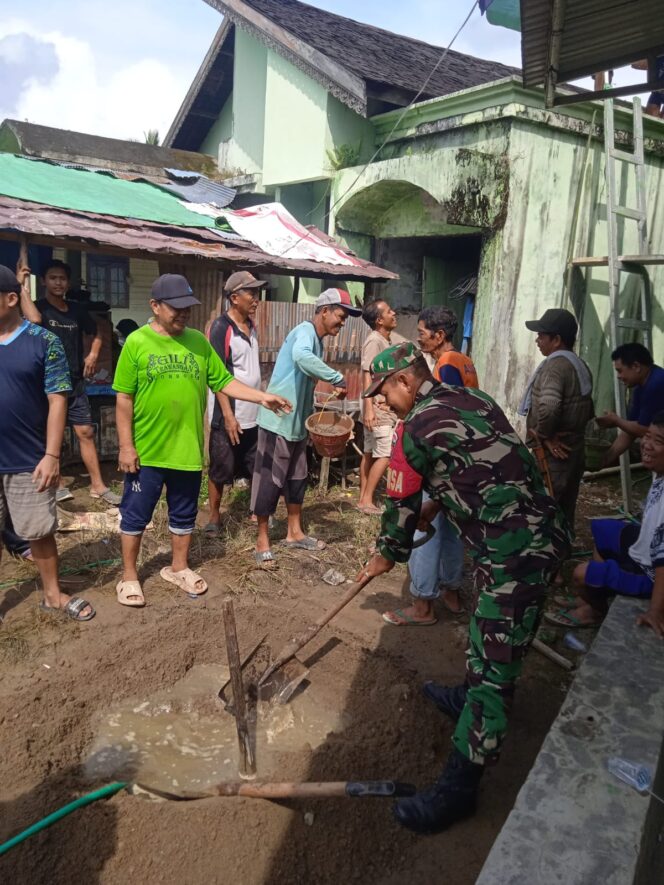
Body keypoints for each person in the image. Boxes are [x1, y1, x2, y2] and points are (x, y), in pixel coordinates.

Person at [356, 343, 569, 834]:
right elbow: (480, 468)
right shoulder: (476, 400)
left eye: (385, 391)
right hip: (541, 535)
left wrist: (383, 556)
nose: (383, 401)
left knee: (496, 670)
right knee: (492, 633)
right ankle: (468, 694)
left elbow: (399, 512)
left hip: (513, 554)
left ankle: (458, 788)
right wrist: (438, 507)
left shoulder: (414, 431)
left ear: (407, 382)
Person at [113, 274, 291, 607]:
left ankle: (178, 567)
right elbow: (123, 398)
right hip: (147, 452)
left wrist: (261, 397)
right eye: (175, 308)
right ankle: (129, 576)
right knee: (136, 514)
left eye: (187, 308)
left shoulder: (197, 341)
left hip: (187, 450)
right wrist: (126, 446)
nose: (183, 314)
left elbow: (224, 381)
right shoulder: (137, 343)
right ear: (155, 306)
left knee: (183, 514)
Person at [0, 265, 94, 622]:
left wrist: (52, 454)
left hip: (28, 458)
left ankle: (52, 595)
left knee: (38, 531)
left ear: (11, 299)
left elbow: (58, 399)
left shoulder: (43, 342)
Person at [251, 288, 362, 567]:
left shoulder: (319, 341)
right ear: (324, 311)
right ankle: (262, 540)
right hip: (277, 422)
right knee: (270, 481)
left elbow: (304, 374)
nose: (342, 322)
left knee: (297, 479)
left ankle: (294, 532)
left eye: (345, 318)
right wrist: (336, 376)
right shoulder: (304, 332)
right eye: (340, 315)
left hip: (297, 423)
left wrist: (325, 391)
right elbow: (301, 357)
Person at [382, 307, 478, 625]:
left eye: (423, 332)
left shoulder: (448, 365)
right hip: (463, 461)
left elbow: (444, 411)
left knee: (426, 528)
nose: (420, 337)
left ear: (439, 336)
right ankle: (450, 592)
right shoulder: (464, 360)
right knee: (450, 528)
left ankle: (423, 603)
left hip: (443, 457)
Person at [546, 413, 664, 636]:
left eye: (658, 441)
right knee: (603, 530)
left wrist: (656, 612)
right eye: (647, 436)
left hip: (651, 574)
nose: (646, 445)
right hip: (644, 548)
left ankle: (595, 610)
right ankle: (592, 597)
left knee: (581, 574)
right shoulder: (659, 472)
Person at [17, 259, 121, 506]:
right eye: (52, 278)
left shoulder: (76, 310)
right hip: (45, 383)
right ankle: (58, 482)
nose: (58, 283)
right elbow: (33, 320)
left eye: (62, 279)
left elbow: (98, 331)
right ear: (43, 281)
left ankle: (98, 485)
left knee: (85, 431)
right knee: (50, 434)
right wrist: (20, 284)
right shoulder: (38, 308)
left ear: (68, 282)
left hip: (73, 381)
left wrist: (94, 353)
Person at [518, 308, 594, 533]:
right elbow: (588, 410)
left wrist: (543, 435)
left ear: (557, 339)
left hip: (555, 456)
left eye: (542, 335)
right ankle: (561, 556)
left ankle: (547, 562)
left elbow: (549, 407)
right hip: (574, 450)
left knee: (545, 507)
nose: (537, 340)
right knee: (565, 507)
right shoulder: (579, 365)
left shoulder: (555, 367)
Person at [206, 272, 264, 535]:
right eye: (251, 293)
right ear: (234, 298)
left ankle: (256, 512)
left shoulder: (251, 327)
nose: (256, 298)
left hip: (253, 415)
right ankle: (214, 518)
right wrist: (228, 416)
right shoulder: (221, 328)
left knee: (254, 465)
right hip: (228, 415)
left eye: (257, 292)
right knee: (221, 468)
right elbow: (218, 377)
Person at [358, 299, 404, 515]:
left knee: (369, 452)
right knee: (385, 454)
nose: (394, 313)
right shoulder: (374, 341)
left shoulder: (387, 340)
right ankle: (366, 500)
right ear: (379, 320)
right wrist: (368, 408)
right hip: (376, 408)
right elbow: (367, 374)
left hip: (377, 406)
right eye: (388, 311)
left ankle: (362, 499)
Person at [596, 343, 664, 466]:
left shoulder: (656, 384)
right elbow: (632, 429)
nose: (618, 376)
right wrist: (606, 459)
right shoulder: (640, 386)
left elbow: (643, 430)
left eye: (620, 371)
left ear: (636, 366)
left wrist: (616, 421)